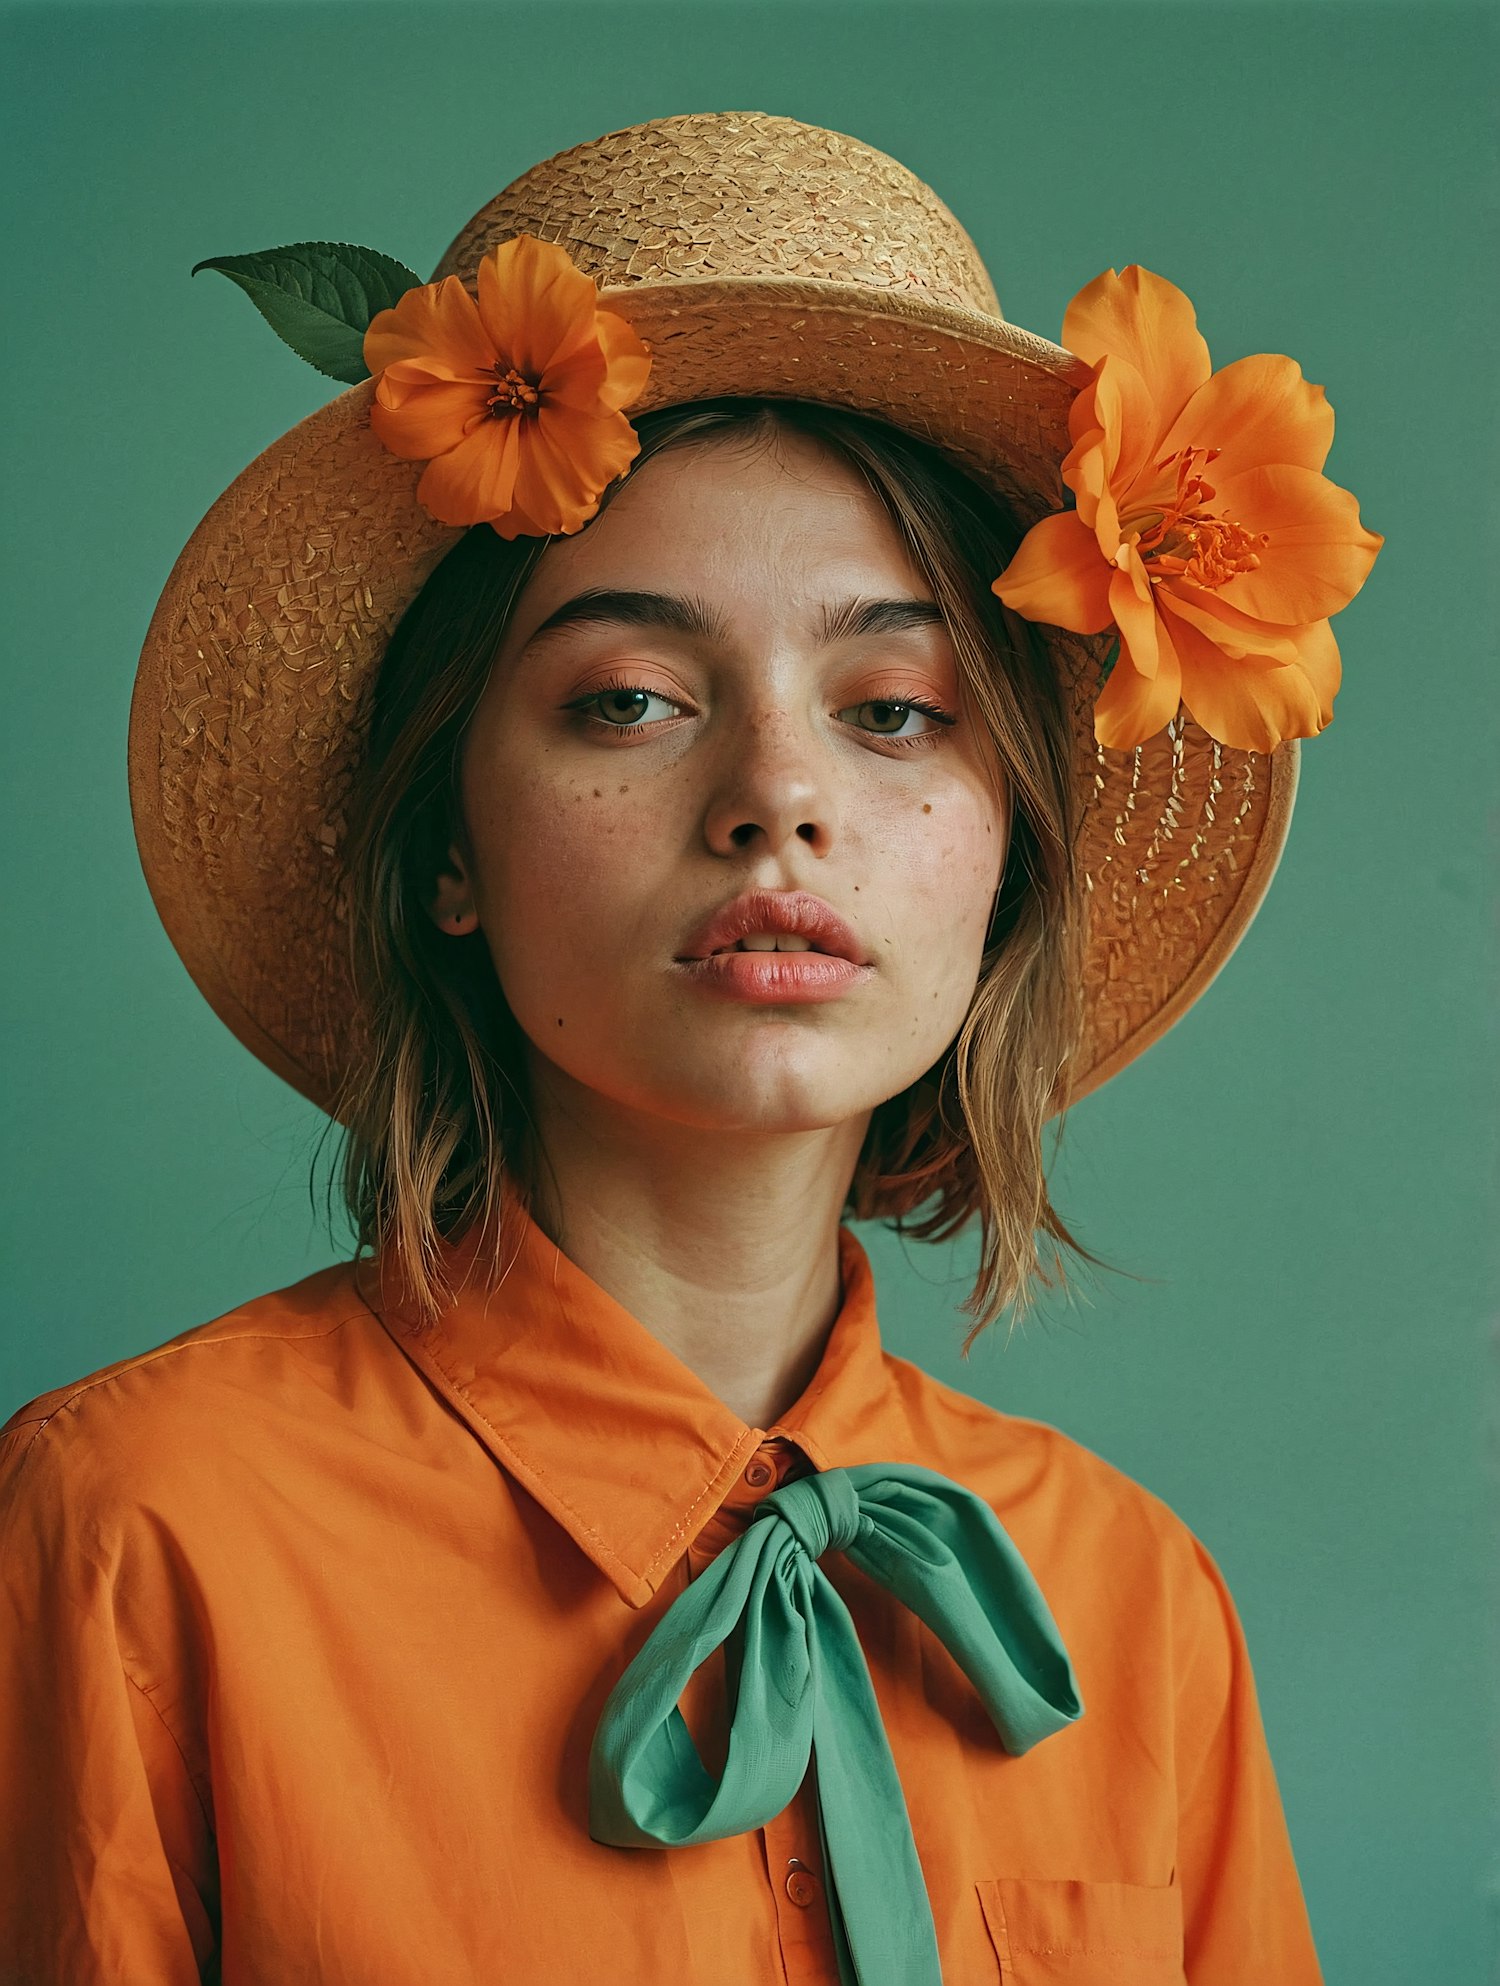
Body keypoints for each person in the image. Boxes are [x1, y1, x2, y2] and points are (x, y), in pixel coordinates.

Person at [0, 112, 1379, 1985]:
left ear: (1010, 850)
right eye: (630, 697)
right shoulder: (134, 1535)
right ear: (447, 853)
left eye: (894, 707)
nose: (777, 798)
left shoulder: (1132, 1603)